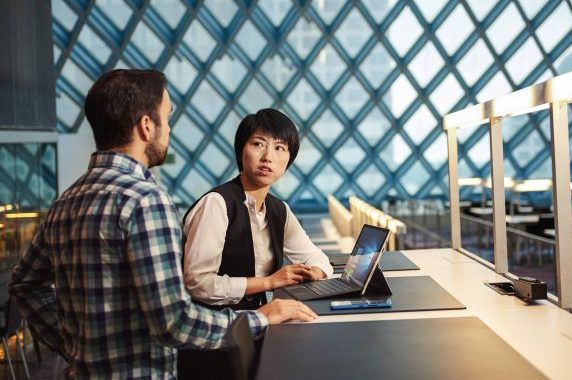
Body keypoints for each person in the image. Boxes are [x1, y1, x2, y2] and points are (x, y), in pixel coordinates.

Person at [8, 69, 317, 379]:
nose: (168, 130)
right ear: (146, 126)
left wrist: (74, 345)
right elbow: (174, 321)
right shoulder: (145, 201)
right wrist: (261, 318)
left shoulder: (66, 201)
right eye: (166, 118)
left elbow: (25, 285)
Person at [177, 109, 333, 377]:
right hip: (213, 341)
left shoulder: (278, 209)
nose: (268, 157)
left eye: (280, 148)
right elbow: (198, 283)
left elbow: (317, 258)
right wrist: (270, 282)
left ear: (289, 159)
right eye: (258, 144)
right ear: (241, 152)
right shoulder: (216, 204)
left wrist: (316, 271)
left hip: (257, 330)